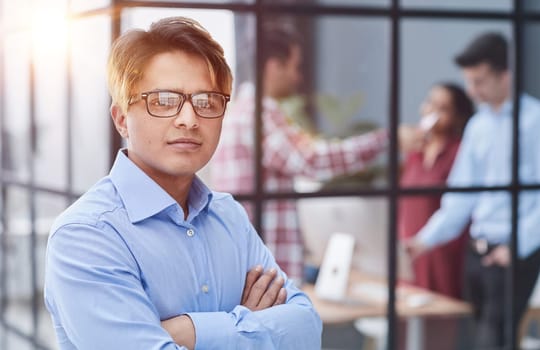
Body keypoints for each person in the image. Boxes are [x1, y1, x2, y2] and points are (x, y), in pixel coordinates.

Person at [43, 17, 322, 350]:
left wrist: (189, 332)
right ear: (121, 119)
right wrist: (249, 321)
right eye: (163, 100)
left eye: (206, 102)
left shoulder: (228, 216)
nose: (189, 119)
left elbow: (306, 328)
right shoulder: (86, 235)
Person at [212, 22, 418, 283]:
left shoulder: (238, 112)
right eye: (295, 67)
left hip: (251, 266)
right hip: (264, 271)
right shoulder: (259, 115)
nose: (298, 77)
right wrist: (387, 140)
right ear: (274, 66)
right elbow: (311, 159)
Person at [406, 32, 540, 349]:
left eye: (479, 81)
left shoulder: (534, 121)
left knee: (492, 341)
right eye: (468, 81)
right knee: (477, 336)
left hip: (512, 252)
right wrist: (424, 240)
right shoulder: (478, 126)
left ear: (504, 75)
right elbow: (461, 196)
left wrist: (516, 245)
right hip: (476, 253)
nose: (471, 91)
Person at [399, 82, 474, 299]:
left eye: (443, 108)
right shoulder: (415, 153)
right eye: (431, 103)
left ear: (457, 117)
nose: (433, 111)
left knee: (440, 316)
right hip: (410, 246)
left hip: (443, 250)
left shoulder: (459, 153)